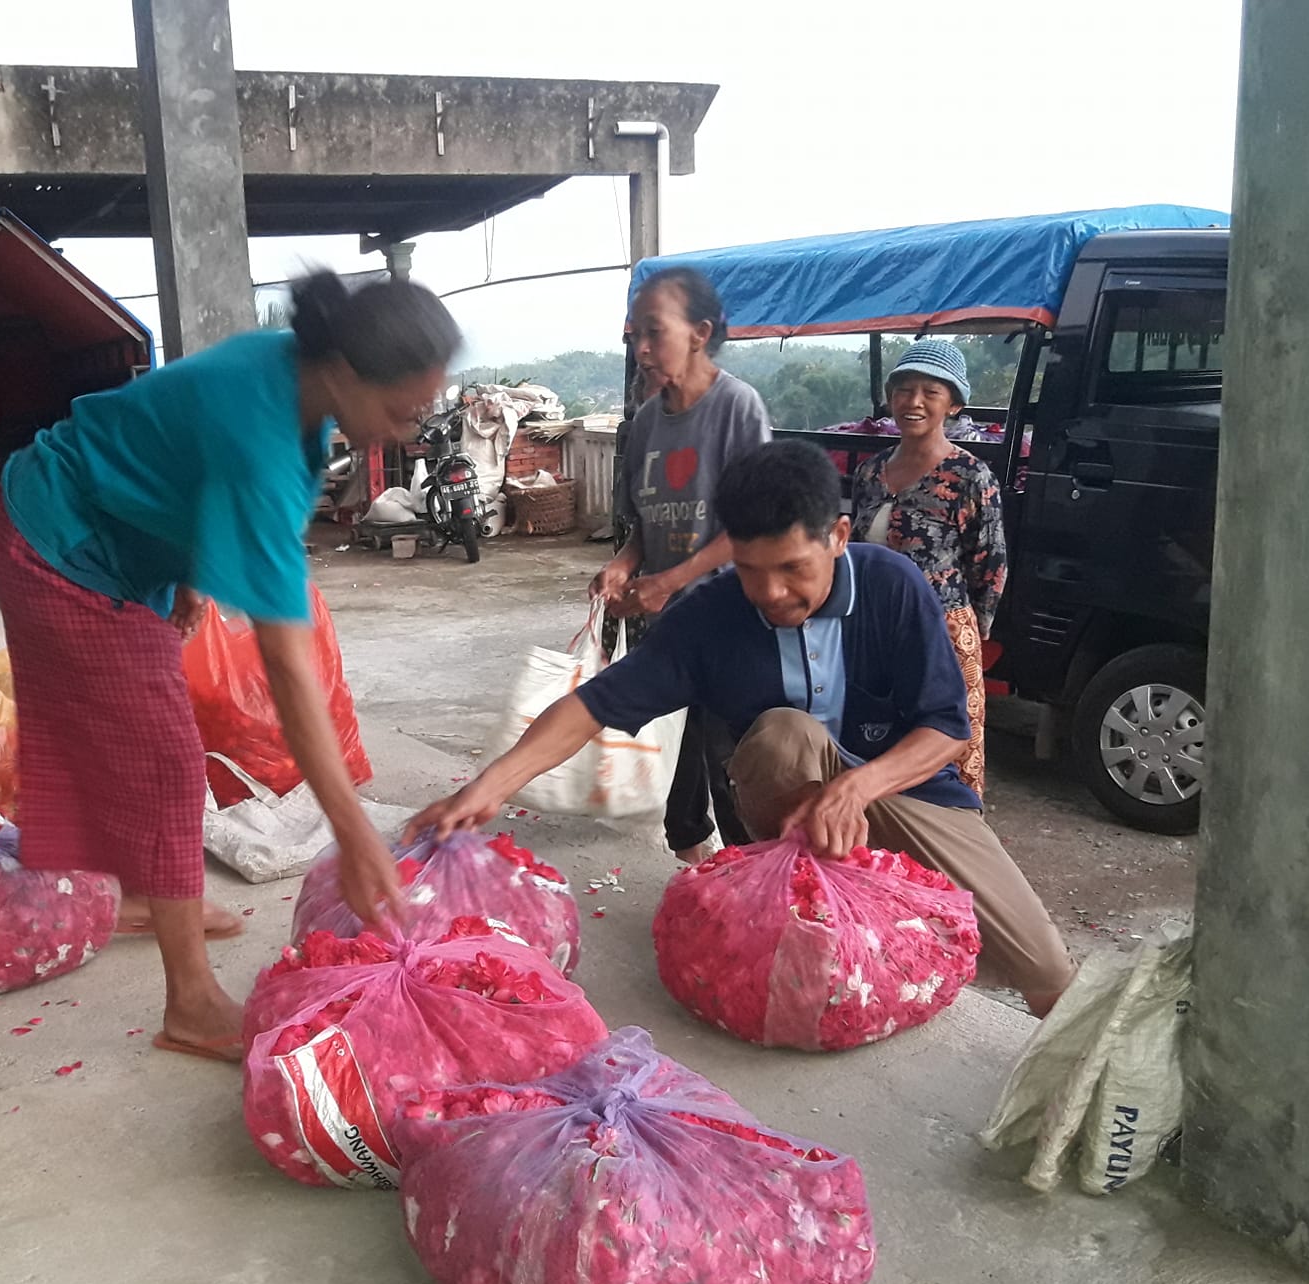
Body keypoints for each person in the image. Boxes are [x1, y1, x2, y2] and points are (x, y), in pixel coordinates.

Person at [417, 439, 1074, 1018]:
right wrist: (489, 786)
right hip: (785, 804)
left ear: (839, 536)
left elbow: (947, 730)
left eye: (794, 569)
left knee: (1043, 966)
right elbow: (594, 706)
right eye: (753, 570)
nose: (772, 592)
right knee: (786, 733)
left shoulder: (892, 586)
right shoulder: (710, 617)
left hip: (907, 793)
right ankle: (802, 889)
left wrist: (857, 790)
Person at [0, 269, 461, 1062]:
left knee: (144, 739)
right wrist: (352, 830)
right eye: (402, 412)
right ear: (345, 373)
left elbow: (166, 456)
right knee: (168, 760)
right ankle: (192, 1005)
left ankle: (144, 896)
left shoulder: (298, 372)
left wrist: (183, 577)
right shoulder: (264, 444)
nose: (408, 434)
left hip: (115, 537)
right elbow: (287, 665)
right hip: (56, 544)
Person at [590, 265, 771, 861]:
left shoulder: (736, 408)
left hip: (729, 612)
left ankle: (754, 879)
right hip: (665, 616)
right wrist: (624, 564)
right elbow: (644, 523)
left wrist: (672, 580)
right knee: (682, 743)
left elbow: (754, 526)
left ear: (700, 332)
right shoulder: (644, 422)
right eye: (633, 336)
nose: (641, 349)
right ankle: (698, 863)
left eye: (653, 332)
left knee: (728, 755)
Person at [848, 338, 1007, 796]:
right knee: (874, 744)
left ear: (953, 403)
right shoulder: (870, 471)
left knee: (947, 752)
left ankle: (950, 851)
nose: (913, 402)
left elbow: (990, 568)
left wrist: (968, 636)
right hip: (873, 631)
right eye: (904, 389)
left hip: (943, 633)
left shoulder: (970, 477)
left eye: (930, 392)